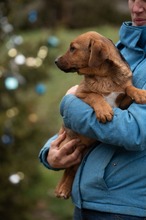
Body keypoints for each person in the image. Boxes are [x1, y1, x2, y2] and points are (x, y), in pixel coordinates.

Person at [39, 0, 146, 219]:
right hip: (86, 202)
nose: (136, 8)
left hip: (126, 208)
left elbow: (135, 132)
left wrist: (69, 103)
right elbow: (84, 118)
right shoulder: (117, 50)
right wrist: (51, 151)